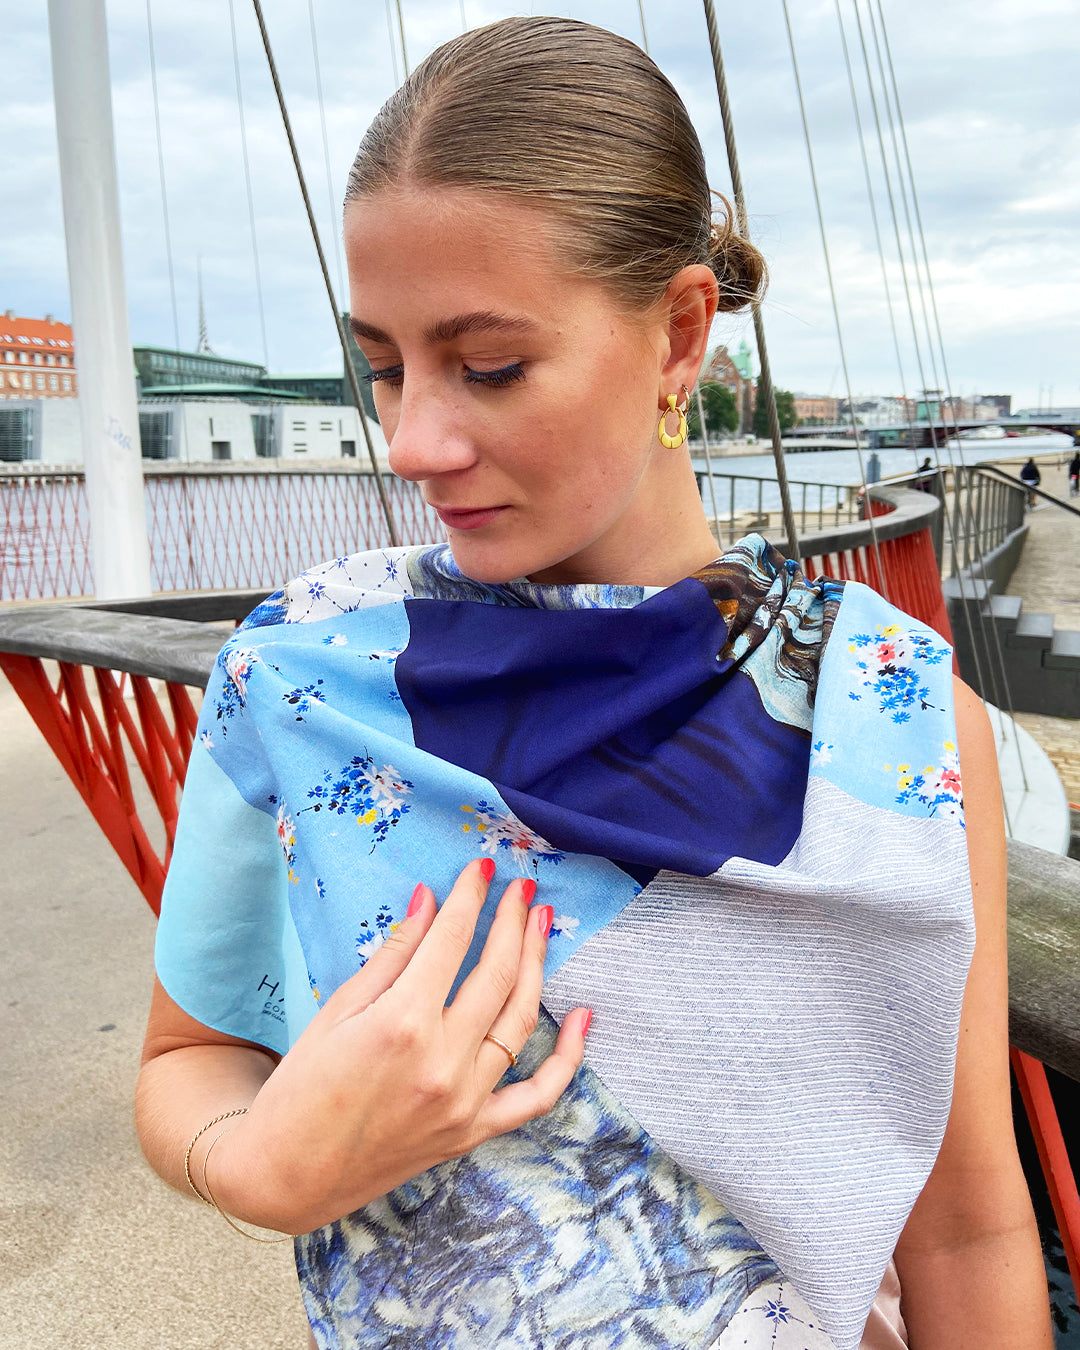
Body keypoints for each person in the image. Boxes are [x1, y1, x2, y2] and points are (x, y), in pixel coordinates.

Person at [135, 18, 1052, 1350]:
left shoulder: (896, 721)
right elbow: (185, 1055)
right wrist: (251, 1162)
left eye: (488, 364)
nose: (413, 439)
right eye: (384, 363)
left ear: (681, 333)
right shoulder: (298, 670)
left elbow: (964, 1224)